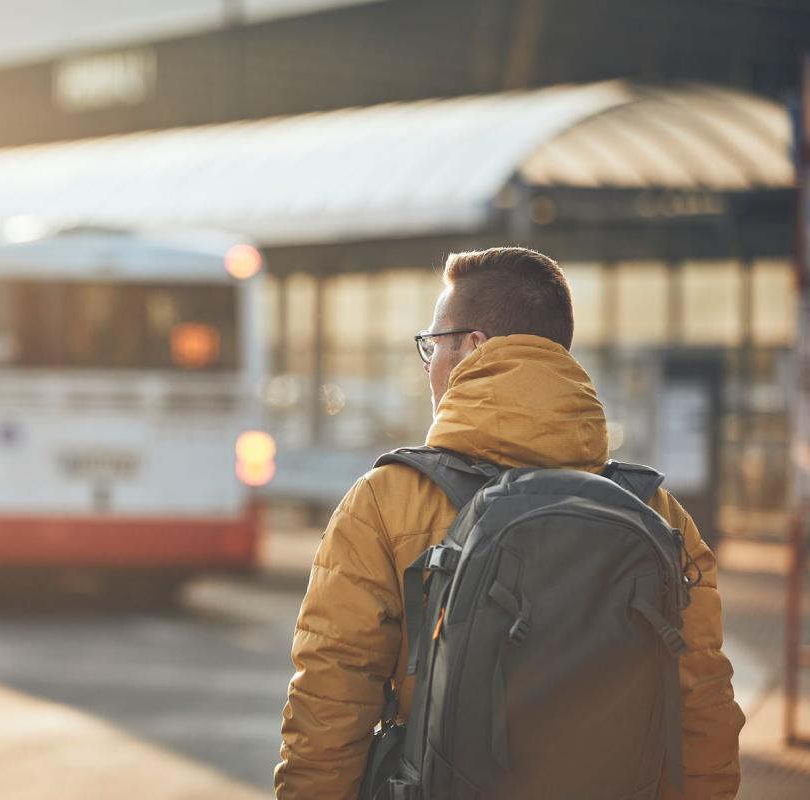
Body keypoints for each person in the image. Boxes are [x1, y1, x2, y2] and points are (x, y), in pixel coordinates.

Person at [274, 247, 744, 799]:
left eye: (432, 347)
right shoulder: (657, 513)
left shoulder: (385, 503)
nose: (430, 368)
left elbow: (329, 705)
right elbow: (703, 708)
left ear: (471, 348)